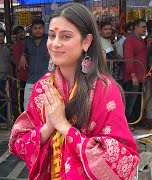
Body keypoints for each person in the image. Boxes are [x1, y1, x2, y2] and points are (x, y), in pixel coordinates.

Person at [9, 3, 139, 179]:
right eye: (52, 36)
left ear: (86, 41)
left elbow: (122, 162)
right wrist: (48, 127)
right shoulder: (42, 88)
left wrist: (64, 126)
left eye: (65, 36)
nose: (55, 44)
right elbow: (18, 143)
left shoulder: (105, 90)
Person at [20, 19, 49, 110]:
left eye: (40, 28)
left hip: (46, 80)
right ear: (31, 30)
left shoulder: (50, 40)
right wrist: (23, 56)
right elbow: (25, 52)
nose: (38, 30)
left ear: (44, 29)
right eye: (35, 28)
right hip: (31, 79)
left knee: (45, 107)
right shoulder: (29, 41)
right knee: (27, 106)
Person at [123, 19, 148, 122]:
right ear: (136, 27)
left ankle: (133, 122)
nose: (145, 29)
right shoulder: (130, 40)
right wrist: (133, 75)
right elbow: (128, 58)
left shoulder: (141, 40)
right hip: (132, 77)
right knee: (130, 102)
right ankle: (126, 123)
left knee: (137, 102)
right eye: (143, 27)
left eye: (145, 27)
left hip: (141, 76)